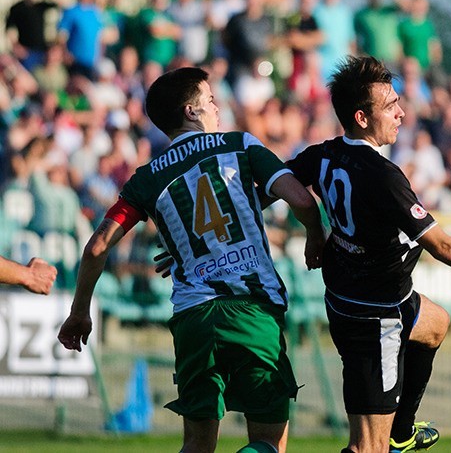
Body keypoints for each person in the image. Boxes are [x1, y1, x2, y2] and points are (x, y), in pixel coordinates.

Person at [284, 56, 451, 453]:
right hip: (374, 316)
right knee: (365, 449)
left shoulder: (325, 153)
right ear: (361, 117)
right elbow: (441, 246)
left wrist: (313, 230)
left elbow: (281, 181)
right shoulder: (383, 177)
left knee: (436, 323)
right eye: (390, 106)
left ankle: (401, 433)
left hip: (366, 294)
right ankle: (387, 440)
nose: (401, 112)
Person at [57, 67, 326, 453]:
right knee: (268, 441)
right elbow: (301, 200)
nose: (217, 107)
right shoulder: (239, 145)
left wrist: (80, 311)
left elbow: (97, 247)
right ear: (192, 111)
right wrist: (315, 237)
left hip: (193, 319)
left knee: (197, 446)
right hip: (251, 310)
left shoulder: (146, 177)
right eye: (211, 100)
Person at [5, 0, 62, 72]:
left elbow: (63, 4)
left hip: (42, 51)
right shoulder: (17, 8)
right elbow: (9, 29)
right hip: (26, 52)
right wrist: (17, 47)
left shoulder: (42, 6)